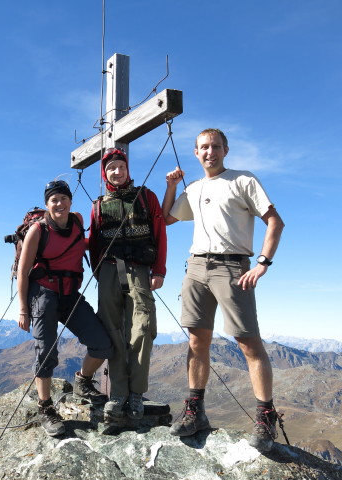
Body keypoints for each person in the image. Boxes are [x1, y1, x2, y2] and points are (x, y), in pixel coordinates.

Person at [162, 128, 285, 452]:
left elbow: (275, 221)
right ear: (196, 152)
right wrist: (171, 186)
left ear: (225, 150)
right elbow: (166, 218)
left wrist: (262, 263)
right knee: (196, 340)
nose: (209, 152)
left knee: (247, 341)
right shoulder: (194, 187)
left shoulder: (244, 180)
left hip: (234, 267)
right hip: (197, 266)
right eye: (203, 147)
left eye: (215, 146)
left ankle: (265, 416)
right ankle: (195, 411)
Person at [17, 179, 114, 437]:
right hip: (44, 295)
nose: (59, 203)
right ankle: (45, 407)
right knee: (46, 353)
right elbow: (23, 271)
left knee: (102, 344)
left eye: (63, 198)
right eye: (53, 200)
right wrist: (23, 309)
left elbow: (79, 243)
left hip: (71, 294)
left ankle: (83, 380)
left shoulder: (78, 221)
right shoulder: (38, 230)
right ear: (48, 204)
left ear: (71, 201)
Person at [88, 147, 167, 423]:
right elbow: (95, 242)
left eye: (121, 166)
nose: (117, 172)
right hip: (109, 271)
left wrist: (159, 271)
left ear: (127, 169)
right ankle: (118, 393)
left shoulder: (146, 197)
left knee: (143, 328)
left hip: (140, 271)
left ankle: (137, 392)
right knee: (113, 331)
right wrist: (99, 273)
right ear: (104, 172)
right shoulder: (98, 205)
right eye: (111, 168)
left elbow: (160, 234)